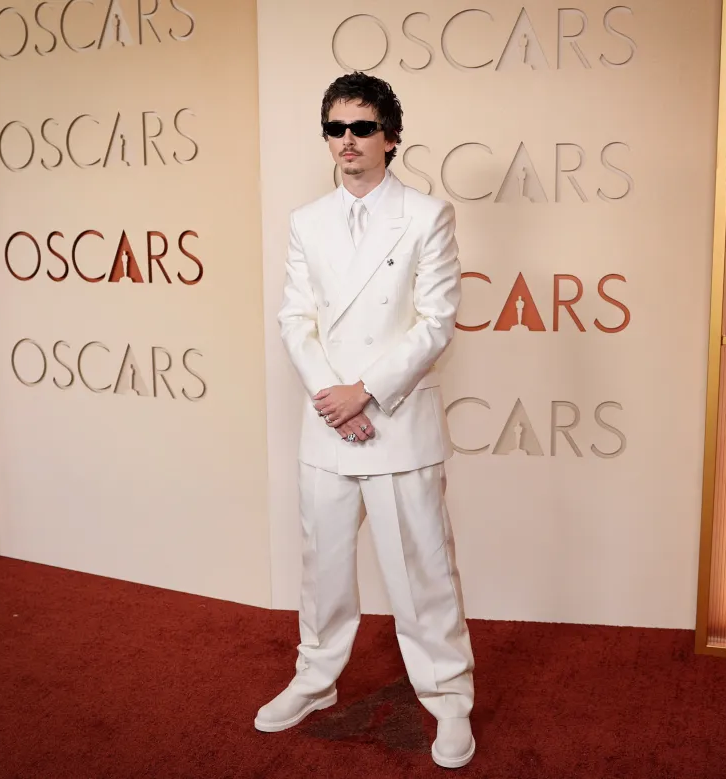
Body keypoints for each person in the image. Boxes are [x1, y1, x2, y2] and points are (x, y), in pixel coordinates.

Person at [255, 72, 476, 770]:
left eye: (362, 127)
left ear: (390, 137)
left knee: (422, 572)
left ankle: (448, 698)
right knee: (321, 569)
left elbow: (436, 321)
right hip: (328, 422)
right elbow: (296, 319)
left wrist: (366, 393)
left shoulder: (427, 215)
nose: (347, 140)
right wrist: (333, 397)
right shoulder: (307, 220)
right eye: (335, 128)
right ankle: (315, 679)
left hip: (396, 421)